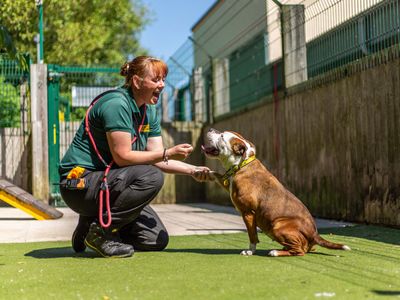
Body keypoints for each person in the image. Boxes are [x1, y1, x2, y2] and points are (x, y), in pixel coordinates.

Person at [59, 56, 212, 258]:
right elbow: (123, 157)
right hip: (79, 186)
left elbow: (156, 158)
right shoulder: (116, 104)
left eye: (163, 79)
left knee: (154, 239)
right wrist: (168, 152)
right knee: (151, 177)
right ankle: (100, 233)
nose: (162, 85)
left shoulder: (149, 109)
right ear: (137, 81)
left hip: (107, 184)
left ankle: (90, 223)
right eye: (156, 80)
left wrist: (193, 171)